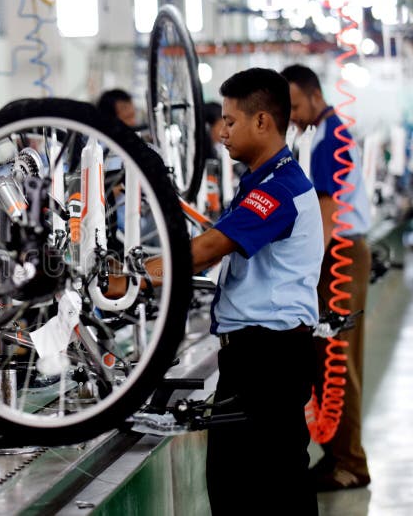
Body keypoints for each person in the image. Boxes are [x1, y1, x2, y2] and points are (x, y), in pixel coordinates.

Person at [131, 68, 321, 514]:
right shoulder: (261, 182)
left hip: (266, 360)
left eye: (230, 121)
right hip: (261, 356)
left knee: (254, 485)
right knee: (264, 480)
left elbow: (210, 248)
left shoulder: (279, 190)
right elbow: (217, 247)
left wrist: (137, 277)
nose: (220, 133)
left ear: (262, 122)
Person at [281, 64, 372, 491]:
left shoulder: (328, 137)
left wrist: (296, 265)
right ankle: (338, 455)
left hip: (340, 256)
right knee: (330, 359)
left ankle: (350, 464)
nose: (293, 116)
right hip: (344, 252)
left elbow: (327, 215)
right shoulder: (325, 133)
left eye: (296, 105)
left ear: (315, 95)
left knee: (337, 361)